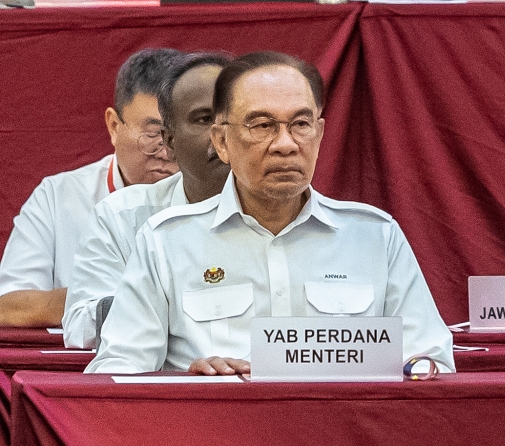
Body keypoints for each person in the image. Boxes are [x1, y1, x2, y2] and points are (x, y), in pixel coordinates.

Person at [86, 51, 453, 375]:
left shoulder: (376, 237)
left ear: (320, 134)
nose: (285, 144)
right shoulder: (166, 242)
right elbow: (115, 372)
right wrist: (185, 380)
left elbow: (430, 361)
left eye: (301, 124)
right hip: (214, 439)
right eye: (262, 126)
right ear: (221, 142)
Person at [0, 48, 183, 328]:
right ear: (113, 126)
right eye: (153, 133)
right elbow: (10, 306)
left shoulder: (217, 193)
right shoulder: (59, 196)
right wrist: (124, 300)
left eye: (178, 134)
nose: (167, 151)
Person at [62, 52, 233, 350]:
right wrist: (160, 304)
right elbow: (79, 326)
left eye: (233, 120)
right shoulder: (120, 216)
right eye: (204, 120)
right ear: (169, 141)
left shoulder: (292, 213)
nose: (220, 136)